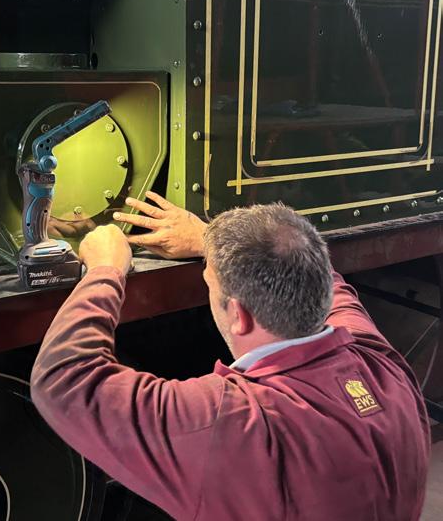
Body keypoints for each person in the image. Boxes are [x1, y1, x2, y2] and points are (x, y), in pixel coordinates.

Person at [31, 192, 430, 521]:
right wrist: (209, 239)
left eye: (211, 283)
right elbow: (332, 284)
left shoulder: (229, 421)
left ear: (238, 315)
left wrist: (105, 270)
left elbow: (65, 379)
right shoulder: (383, 366)